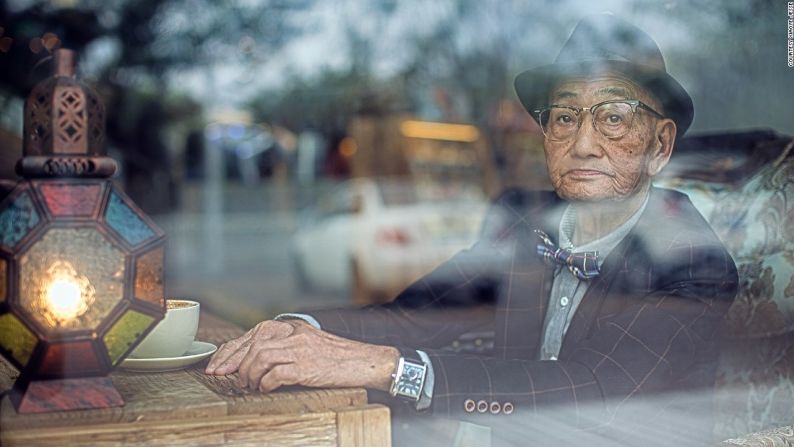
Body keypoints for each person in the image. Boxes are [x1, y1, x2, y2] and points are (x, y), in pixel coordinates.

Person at [206, 14, 737, 445]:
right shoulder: (526, 220)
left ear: (660, 147)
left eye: (614, 117)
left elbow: (590, 390)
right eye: (565, 117)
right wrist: (298, 330)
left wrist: (391, 369)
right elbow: (417, 316)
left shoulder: (691, 259)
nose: (583, 144)